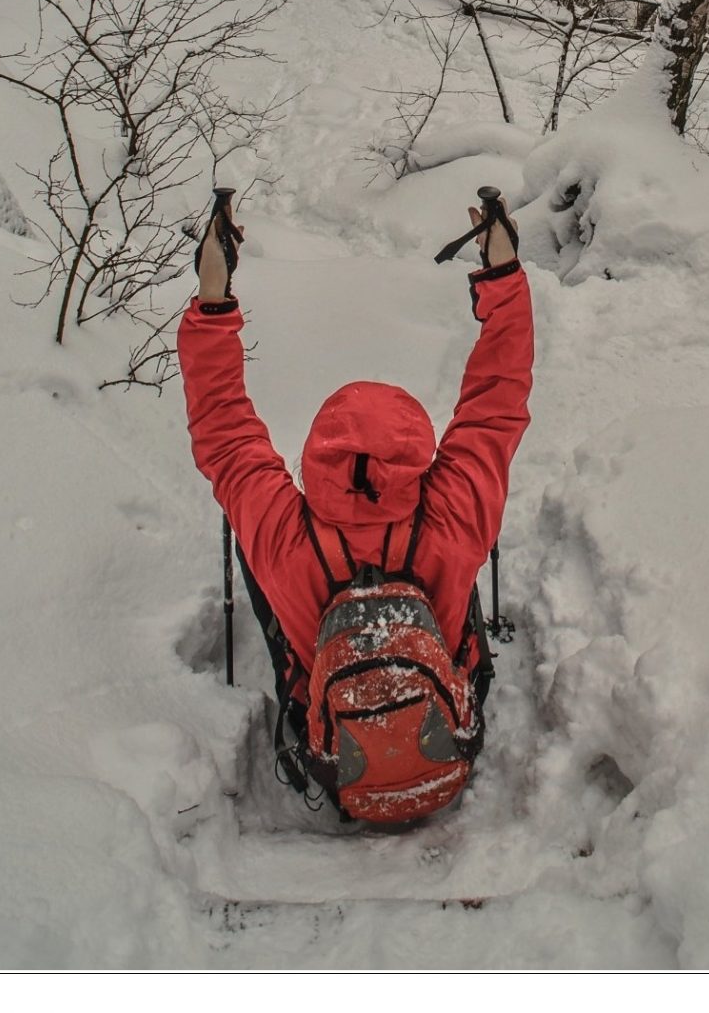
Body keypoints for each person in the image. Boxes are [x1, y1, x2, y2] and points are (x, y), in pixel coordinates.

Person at [177, 194, 533, 814]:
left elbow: (226, 434)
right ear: (417, 455)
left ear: (317, 457)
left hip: (336, 766)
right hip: (443, 738)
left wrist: (213, 298)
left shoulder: (289, 542)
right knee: (458, 563)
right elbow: (496, 401)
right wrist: (501, 275)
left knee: (250, 523)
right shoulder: (449, 518)